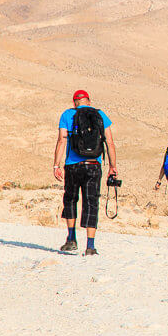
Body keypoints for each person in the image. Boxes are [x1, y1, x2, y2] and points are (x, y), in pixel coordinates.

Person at [52, 89, 117, 256]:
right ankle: (90, 246)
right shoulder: (100, 115)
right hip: (94, 165)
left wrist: (56, 165)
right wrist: (112, 166)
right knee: (91, 202)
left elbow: (62, 140)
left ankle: (71, 239)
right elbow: (110, 142)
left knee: (71, 199)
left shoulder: (67, 114)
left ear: (74, 103)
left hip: (73, 165)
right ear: (89, 101)